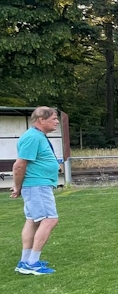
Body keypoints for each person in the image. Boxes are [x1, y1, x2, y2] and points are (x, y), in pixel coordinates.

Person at [11, 107, 60, 275]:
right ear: (41, 119)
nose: (57, 121)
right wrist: (17, 186)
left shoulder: (37, 136)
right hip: (36, 186)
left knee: (32, 220)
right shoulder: (32, 137)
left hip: (37, 185)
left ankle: (25, 261)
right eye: (54, 118)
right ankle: (32, 263)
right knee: (49, 220)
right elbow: (19, 165)